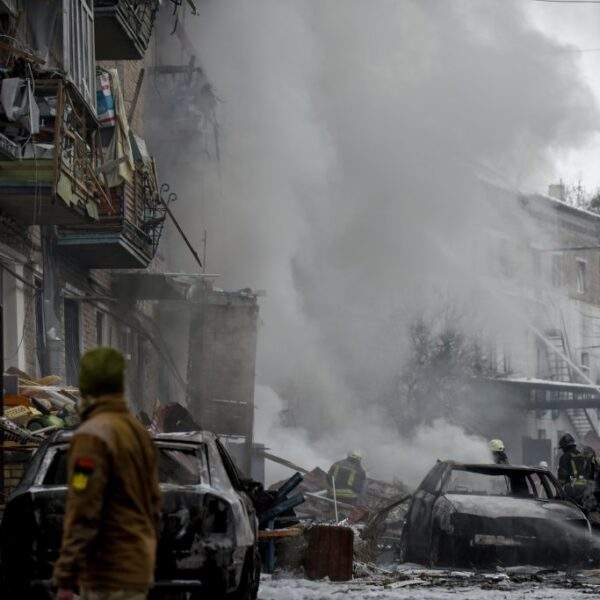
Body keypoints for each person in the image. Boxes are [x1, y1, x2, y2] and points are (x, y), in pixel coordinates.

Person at [53, 347, 161, 600]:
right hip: (137, 567)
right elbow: (154, 502)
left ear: (86, 384)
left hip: (107, 572)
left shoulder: (91, 437)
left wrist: (66, 575)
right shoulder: (136, 431)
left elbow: (83, 505)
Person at [557, 433, 591, 505]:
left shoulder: (564, 457)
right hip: (585, 488)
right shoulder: (582, 456)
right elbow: (589, 472)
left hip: (572, 487)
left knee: (569, 508)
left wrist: (558, 491)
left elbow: (562, 476)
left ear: (565, 447)